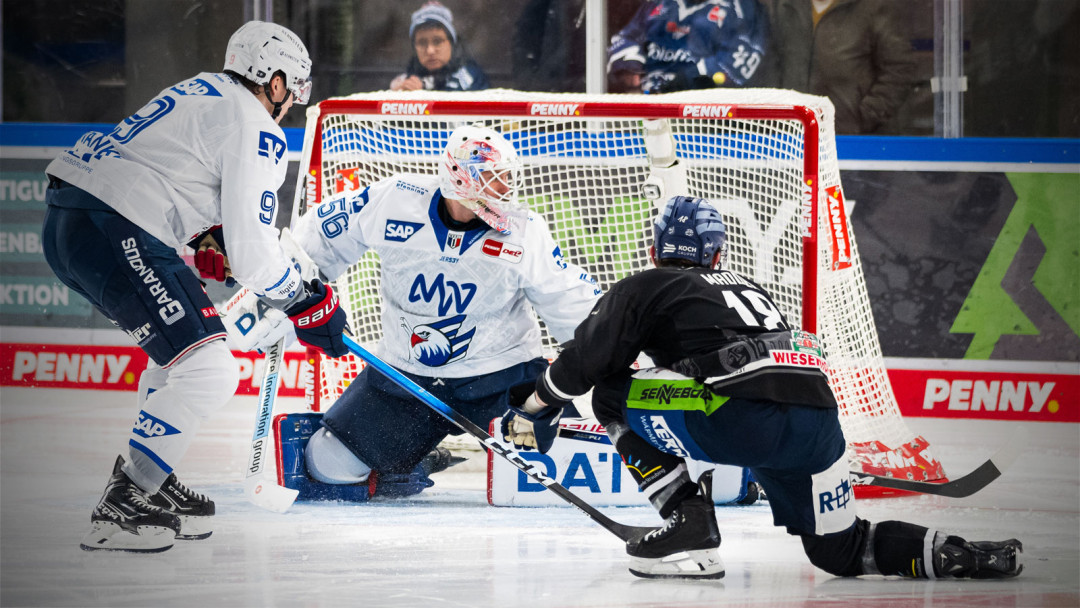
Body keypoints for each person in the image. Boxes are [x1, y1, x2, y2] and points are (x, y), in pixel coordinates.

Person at [501, 195, 1023, 580]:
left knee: (612, 394)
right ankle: (964, 554)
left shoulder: (646, 284)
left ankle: (688, 521)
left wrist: (535, 403)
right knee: (840, 551)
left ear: (655, 247)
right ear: (716, 254)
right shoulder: (751, 288)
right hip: (819, 425)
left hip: (744, 420)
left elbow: (587, 362)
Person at [41, 21, 349, 553]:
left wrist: (210, 235)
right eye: (291, 91)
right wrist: (307, 299)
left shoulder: (199, 88)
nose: (289, 106)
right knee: (211, 369)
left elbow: (170, 174)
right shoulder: (256, 124)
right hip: (114, 225)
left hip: (70, 221)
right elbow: (254, 258)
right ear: (275, 82)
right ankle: (124, 501)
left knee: (179, 360)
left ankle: (151, 476)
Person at [262, 124, 601, 500]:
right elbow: (319, 237)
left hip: (501, 382)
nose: (505, 188)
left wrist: (611, 349)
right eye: (493, 177)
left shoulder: (525, 231)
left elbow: (566, 297)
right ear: (460, 177)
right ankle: (413, 467)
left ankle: (412, 459)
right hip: (403, 380)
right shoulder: (393, 200)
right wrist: (288, 296)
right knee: (327, 465)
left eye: (506, 177)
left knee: (571, 467)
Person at [765, 0, 916, 134]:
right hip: (792, 139)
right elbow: (771, 67)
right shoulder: (783, 6)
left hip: (853, 141)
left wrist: (863, 118)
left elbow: (899, 70)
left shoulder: (875, 6)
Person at [607, 0, 769, 94]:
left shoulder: (742, 8)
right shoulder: (659, 3)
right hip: (647, 101)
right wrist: (628, 67)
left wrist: (687, 80)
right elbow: (626, 37)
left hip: (703, 115)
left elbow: (736, 65)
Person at [389, 1, 490, 92]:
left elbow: (453, 104)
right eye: (422, 43)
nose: (430, 51)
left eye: (437, 41)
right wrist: (397, 93)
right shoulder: (410, 74)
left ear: (452, 44)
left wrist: (420, 94)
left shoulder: (468, 77)